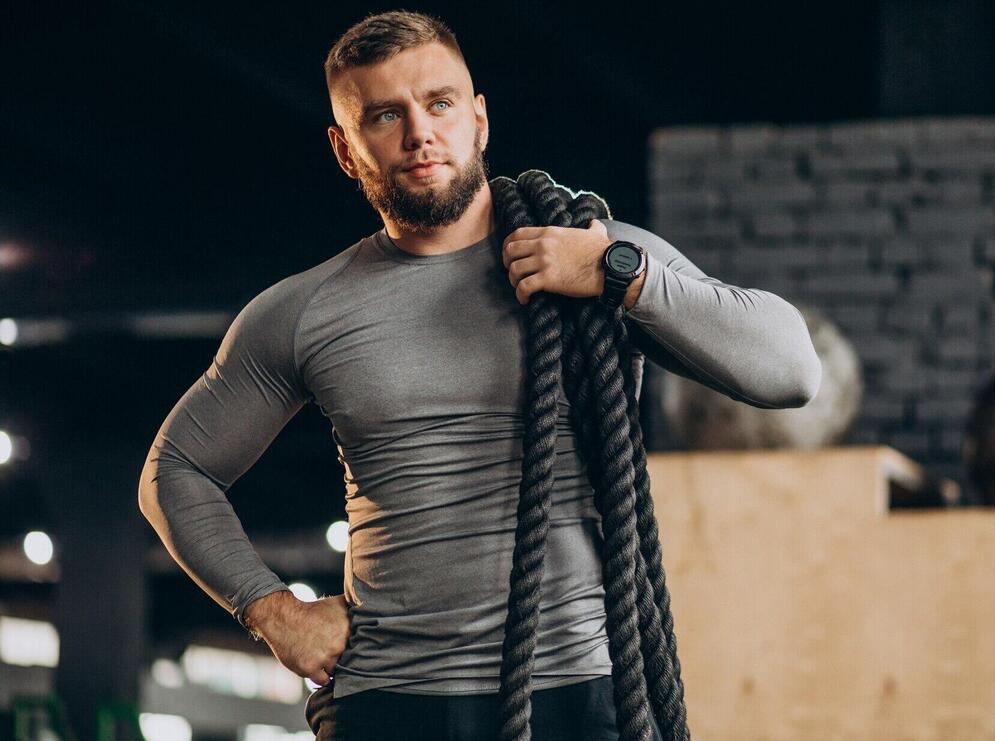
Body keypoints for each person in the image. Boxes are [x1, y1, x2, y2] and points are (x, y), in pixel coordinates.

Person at [138, 9, 822, 740]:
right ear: (345, 149)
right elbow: (174, 469)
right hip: (393, 697)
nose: (419, 133)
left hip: (582, 688)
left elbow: (790, 370)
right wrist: (273, 611)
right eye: (384, 116)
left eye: (439, 104)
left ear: (479, 119)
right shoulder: (305, 310)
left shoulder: (591, 253)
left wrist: (619, 274)